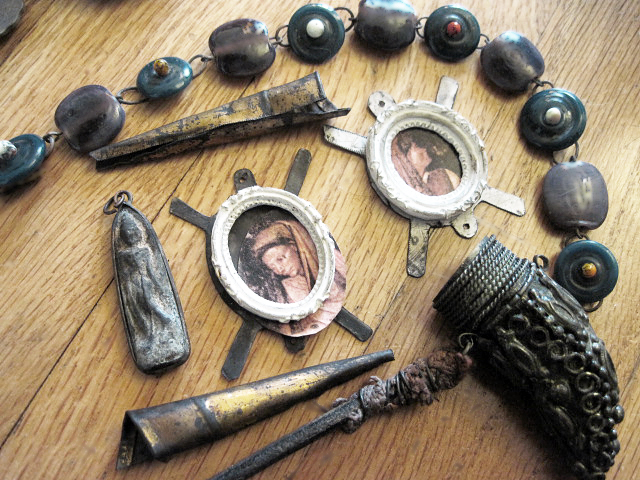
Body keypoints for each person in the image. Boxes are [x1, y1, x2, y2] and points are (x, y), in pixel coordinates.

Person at [238, 213, 346, 336]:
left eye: (280, 259)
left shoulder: (333, 260)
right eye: (272, 267)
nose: (279, 269)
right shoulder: (289, 287)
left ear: (295, 247)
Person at [391, 128, 461, 196]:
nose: (424, 151)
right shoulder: (401, 171)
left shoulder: (443, 175)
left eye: (426, 147)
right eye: (418, 146)